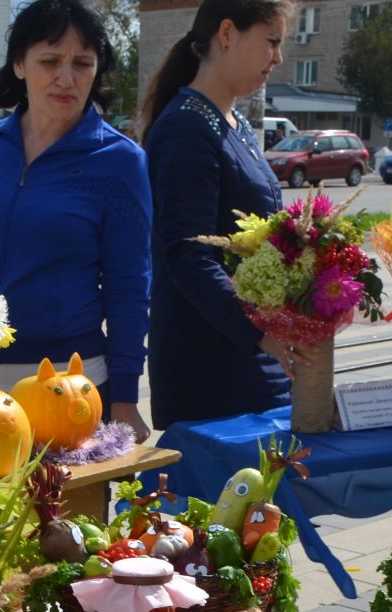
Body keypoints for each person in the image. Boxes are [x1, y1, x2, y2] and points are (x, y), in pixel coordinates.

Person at [0, 0, 151, 443]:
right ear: (19, 64)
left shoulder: (120, 162)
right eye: (50, 61)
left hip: (69, 390)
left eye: (82, 63)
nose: (66, 78)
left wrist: (126, 398)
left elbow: (129, 286)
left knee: (66, 515)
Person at [138, 0, 297, 432]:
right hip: (213, 371)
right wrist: (263, 334)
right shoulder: (186, 130)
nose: (278, 58)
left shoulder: (231, 123)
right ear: (226, 34)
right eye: (271, 42)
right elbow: (189, 255)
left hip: (248, 361)